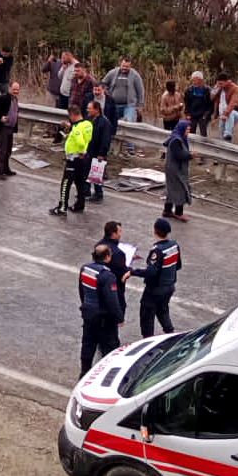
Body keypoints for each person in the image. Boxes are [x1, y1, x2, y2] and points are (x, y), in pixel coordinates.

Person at [130, 218, 181, 338]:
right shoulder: (174, 245)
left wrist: (133, 272)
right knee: (162, 310)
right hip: (169, 286)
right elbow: (178, 266)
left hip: (155, 289)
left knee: (147, 316)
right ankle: (170, 334)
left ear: (155, 230)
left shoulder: (157, 250)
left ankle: (147, 341)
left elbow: (151, 272)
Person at [77, 243, 122, 374]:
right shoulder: (108, 276)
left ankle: (84, 372)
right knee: (109, 346)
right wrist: (119, 317)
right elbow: (112, 301)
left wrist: (85, 305)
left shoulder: (85, 269)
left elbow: (82, 290)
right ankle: (107, 374)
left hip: (88, 312)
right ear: (107, 257)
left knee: (88, 343)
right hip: (103, 318)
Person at [51, 106, 92, 216]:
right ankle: (80, 205)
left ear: (72, 114)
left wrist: (80, 151)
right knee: (80, 183)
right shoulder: (88, 124)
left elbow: (81, 143)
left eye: (70, 116)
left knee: (66, 184)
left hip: (73, 159)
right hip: (83, 161)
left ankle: (62, 208)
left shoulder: (77, 129)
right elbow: (86, 138)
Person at [104, 58, 146, 156]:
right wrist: (106, 93)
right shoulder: (113, 72)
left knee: (129, 124)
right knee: (110, 124)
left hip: (129, 105)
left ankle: (130, 148)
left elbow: (141, 91)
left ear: (130, 66)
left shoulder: (135, 75)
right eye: (123, 66)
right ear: (120, 64)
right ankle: (109, 146)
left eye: (127, 66)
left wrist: (140, 105)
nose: (124, 68)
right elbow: (104, 83)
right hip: (113, 104)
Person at [161, 119, 193, 221]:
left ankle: (167, 210)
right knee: (180, 190)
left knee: (171, 190)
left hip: (174, 168)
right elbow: (179, 155)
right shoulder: (176, 140)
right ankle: (179, 213)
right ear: (182, 129)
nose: (188, 131)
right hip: (174, 169)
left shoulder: (180, 138)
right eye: (187, 129)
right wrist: (190, 155)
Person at [42, 50, 77, 141]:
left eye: (64, 57)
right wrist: (51, 62)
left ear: (69, 56)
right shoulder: (57, 63)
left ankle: (62, 134)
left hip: (67, 96)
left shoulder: (75, 66)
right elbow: (45, 70)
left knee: (64, 115)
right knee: (52, 112)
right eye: (61, 57)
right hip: (54, 91)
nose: (62, 59)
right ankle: (50, 132)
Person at [0, 80, 20, 178]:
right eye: (14, 89)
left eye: (17, 89)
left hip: (10, 128)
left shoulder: (14, 99)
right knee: (2, 151)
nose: (16, 91)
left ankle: (6, 170)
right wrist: (0, 117)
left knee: (8, 150)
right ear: (9, 88)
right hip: (2, 128)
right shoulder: (4, 98)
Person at [84, 100, 112, 203]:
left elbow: (106, 140)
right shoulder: (89, 119)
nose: (87, 110)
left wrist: (102, 153)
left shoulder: (104, 123)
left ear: (96, 109)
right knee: (86, 172)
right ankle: (85, 191)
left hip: (98, 153)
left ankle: (98, 194)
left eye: (89, 108)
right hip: (89, 151)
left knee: (96, 174)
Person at [214, 74, 238, 142]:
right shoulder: (219, 88)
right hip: (222, 115)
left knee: (230, 113)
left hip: (235, 113)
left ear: (227, 81)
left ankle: (228, 133)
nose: (220, 85)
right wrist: (216, 89)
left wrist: (226, 113)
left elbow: (233, 102)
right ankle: (225, 141)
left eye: (221, 83)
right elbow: (211, 98)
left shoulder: (235, 88)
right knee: (222, 132)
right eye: (218, 83)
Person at [184, 72, 213, 137]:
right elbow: (187, 103)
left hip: (203, 114)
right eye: (193, 80)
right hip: (192, 113)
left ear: (201, 80)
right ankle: (191, 145)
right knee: (191, 132)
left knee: (203, 132)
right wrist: (187, 113)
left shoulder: (207, 90)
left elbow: (211, 103)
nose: (193, 82)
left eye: (195, 80)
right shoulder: (189, 90)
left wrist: (208, 113)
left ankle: (203, 146)